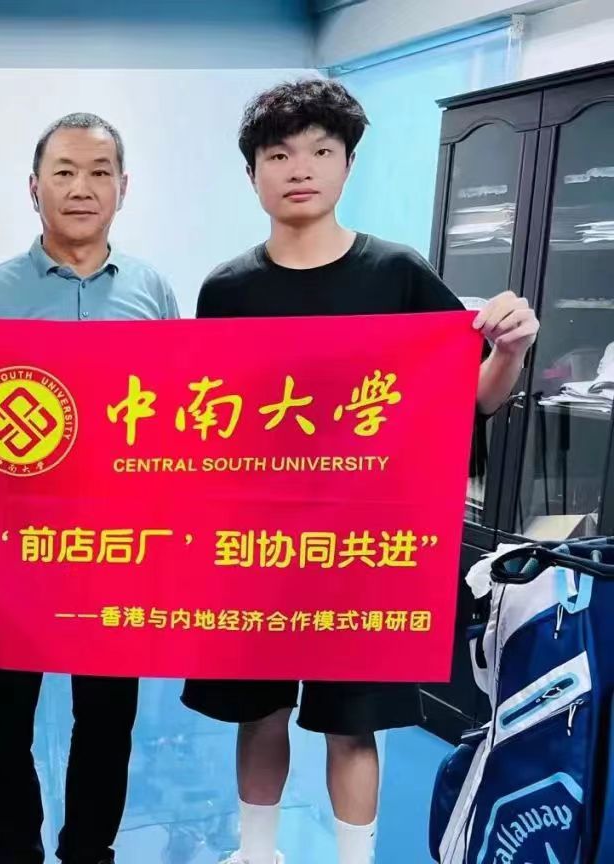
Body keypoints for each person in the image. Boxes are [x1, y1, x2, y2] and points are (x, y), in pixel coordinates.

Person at [180, 78, 539, 864]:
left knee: (354, 722)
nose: (300, 168)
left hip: (363, 544)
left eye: (321, 150)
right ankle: (258, 852)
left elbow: (466, 402)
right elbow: (204, 422)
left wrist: (509, 352)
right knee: (259, 710)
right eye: (279, 154)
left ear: (347, 165)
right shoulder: (227, 290)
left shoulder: (397, 275)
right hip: (259, 543)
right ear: (253, 174)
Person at [0, 112, 180, 864]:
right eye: (64, 172)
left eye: (99, 172)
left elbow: (178, 420)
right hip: (11, 551)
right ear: (34, 187)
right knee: (6, 720)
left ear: (123, 187)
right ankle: (11, 852)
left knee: (108, 719)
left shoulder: (152, 292)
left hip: (117, 546)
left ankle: (89, 851)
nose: (82, 188)